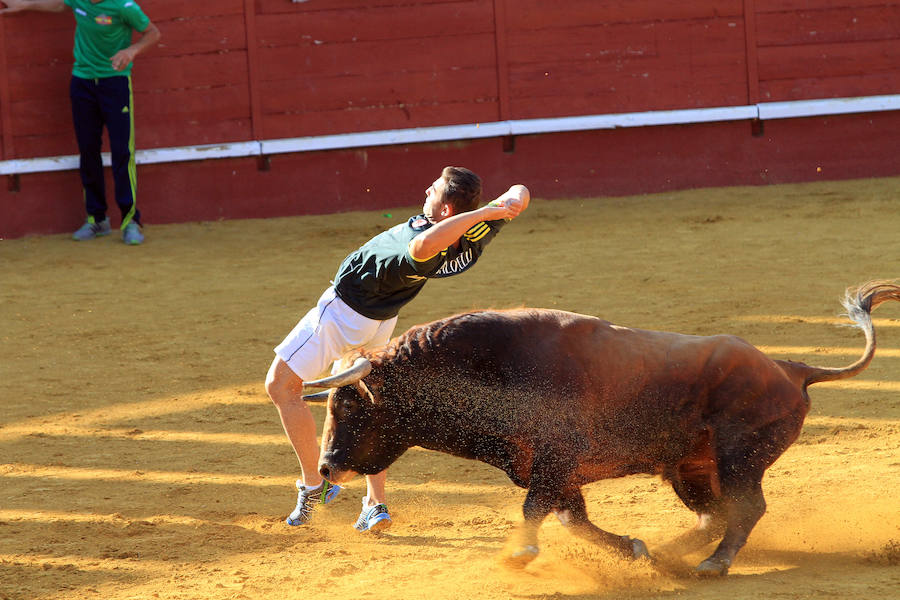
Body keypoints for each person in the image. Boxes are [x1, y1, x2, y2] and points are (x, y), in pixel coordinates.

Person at [265, 166, 530, 532]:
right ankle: (375, 505)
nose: (426, 189)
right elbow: (521, 190)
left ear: (447, 212)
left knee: (280, 387)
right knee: (371, 401)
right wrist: (508, 203)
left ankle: (314, 486)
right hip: (381, 319)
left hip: (341, 315)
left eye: (434, 189)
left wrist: (487, 211)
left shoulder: (426, 243)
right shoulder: (471, 235)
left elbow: (423, 245)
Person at [0, 0, 160, 245]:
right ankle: (97, 219)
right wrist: (24, 5)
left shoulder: (124, 6)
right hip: (82, 82)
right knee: (88, 151)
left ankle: (130, 222)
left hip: (114, 83)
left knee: (122, 152)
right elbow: (57, 6)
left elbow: (153, 33)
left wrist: (131, 51)